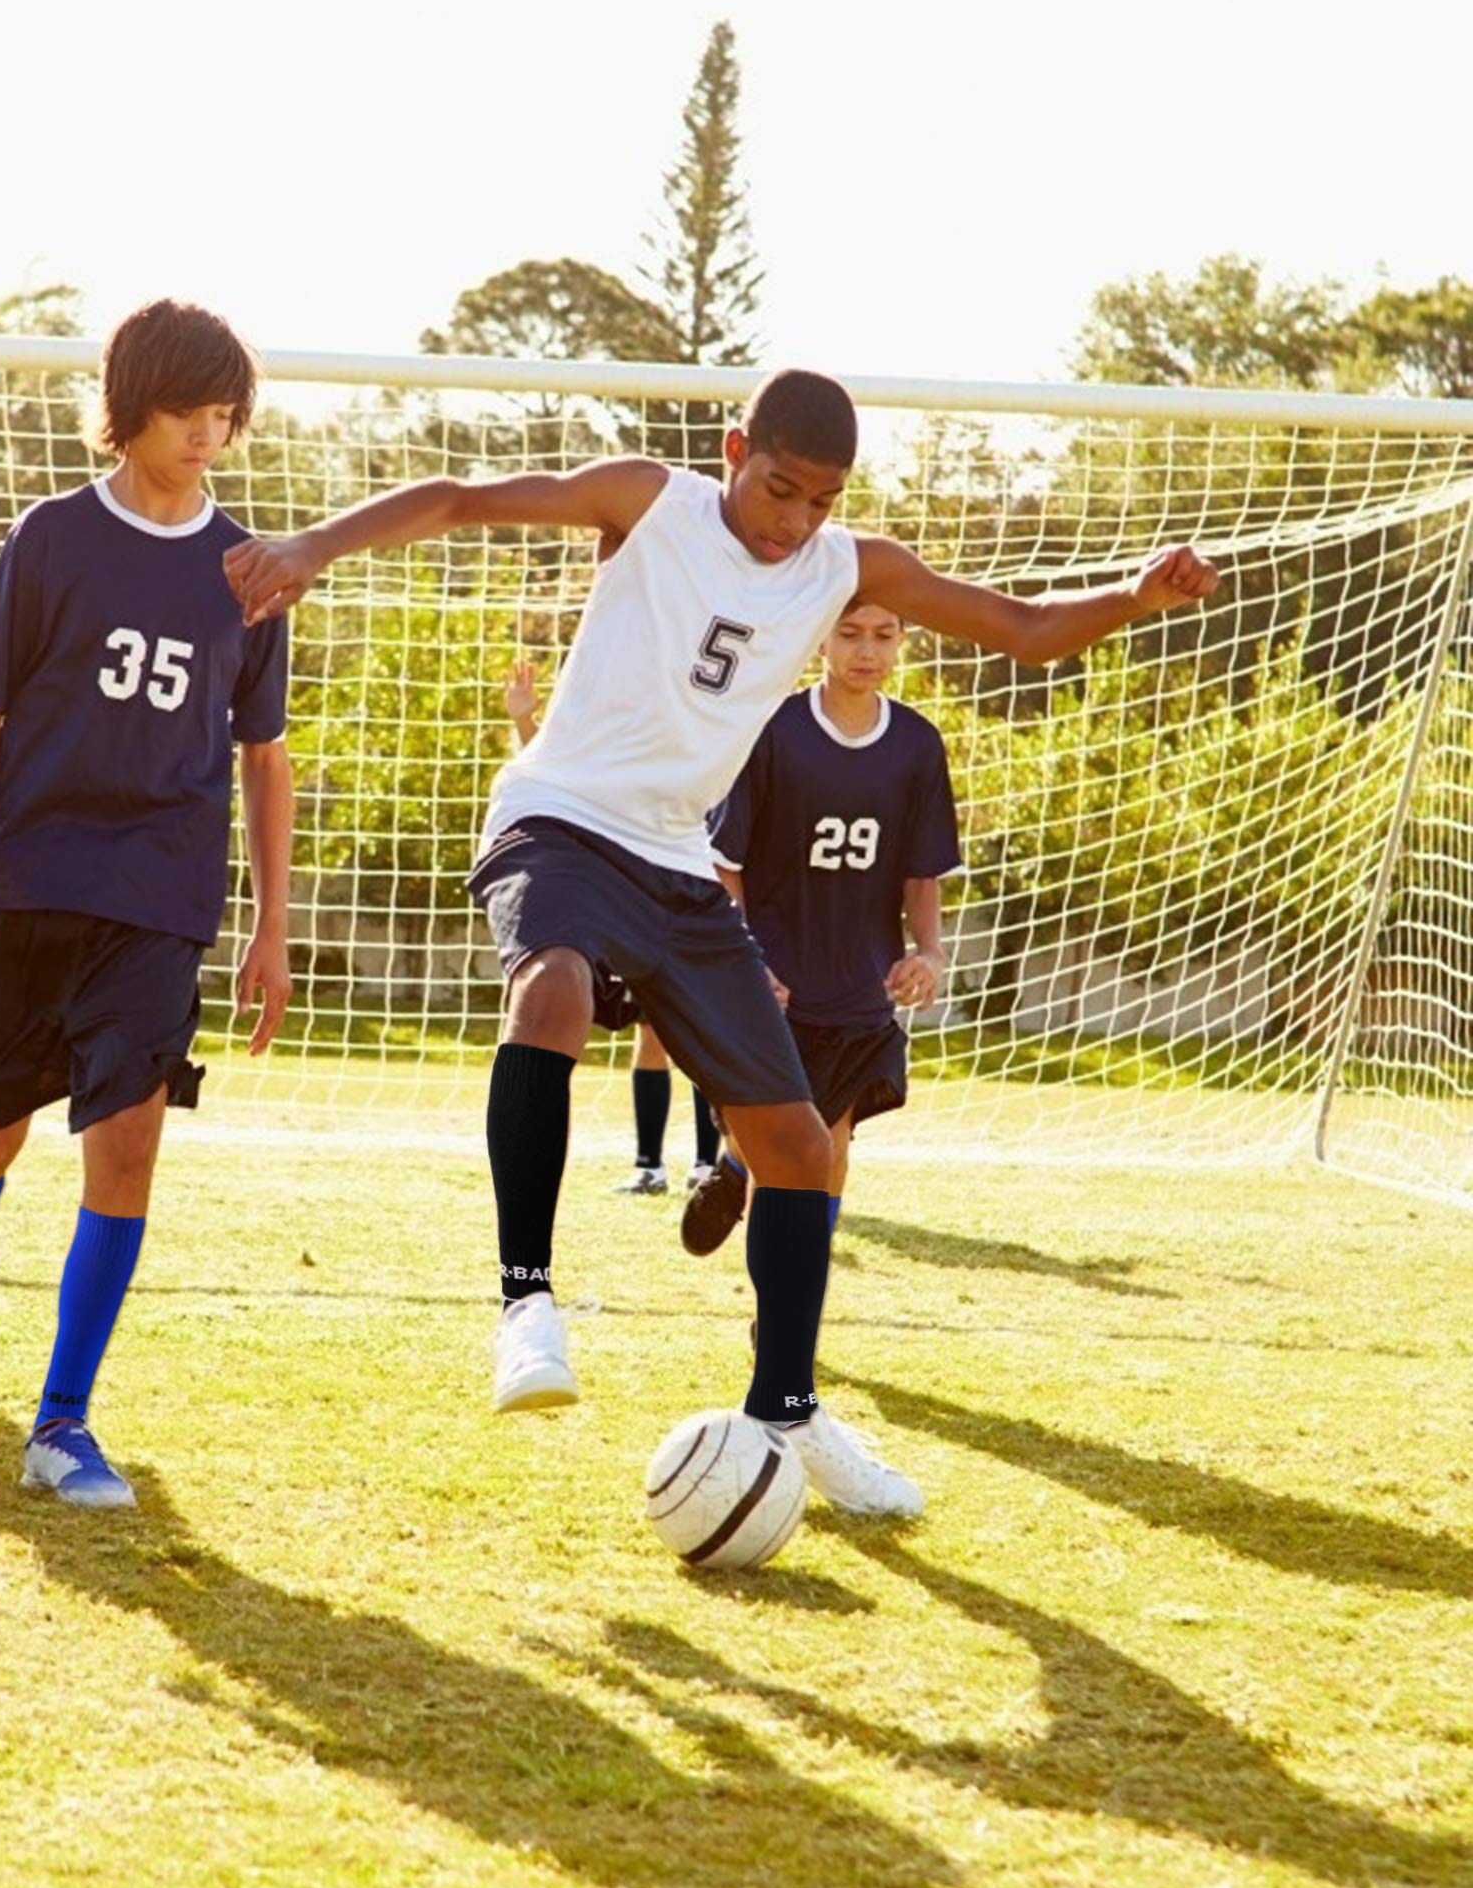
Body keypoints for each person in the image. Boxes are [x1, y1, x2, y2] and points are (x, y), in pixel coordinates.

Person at [226, 369, 1216, 1515]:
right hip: (558, 818)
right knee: (548, 991)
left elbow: (1027, 631)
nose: (793, 519)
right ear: (734, 446)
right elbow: (456, 497)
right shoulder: (648, 499)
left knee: (794, 1145)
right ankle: (524, 1303)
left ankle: (785, 1407)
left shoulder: (847, 566)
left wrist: (1136, 595)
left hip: (678, 864)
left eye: (820, 499)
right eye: (778, 487)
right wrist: (310, 546)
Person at [0, 299, 294, 1508]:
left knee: (125, 1141)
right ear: (129, 412)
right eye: (187, 413)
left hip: (160, 895)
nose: (209, 437)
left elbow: (262, 755)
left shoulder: (252, 573)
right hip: (29, 883)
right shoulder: (51, 538)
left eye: (227, 416)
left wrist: (272, 923)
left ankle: (62, 1421)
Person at [682, 598, 958, 1278]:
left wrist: (928, 949)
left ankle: (781, 1289)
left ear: (902, 643)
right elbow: (725, 864)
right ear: (820, 641)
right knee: (793, 1146)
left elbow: (923, 871)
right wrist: (744, 962)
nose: (867, 650)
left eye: (884, 635)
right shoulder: (772, 729)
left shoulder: (918, 746)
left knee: (831, 1147)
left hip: (860, 986)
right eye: (851, 633)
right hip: (773, 985)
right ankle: (745, 1192)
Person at [502, 658, 722, 1196]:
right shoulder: (603, 731)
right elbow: (550, 774)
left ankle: (705, 1163)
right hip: (627, 897)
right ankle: (650, 1167)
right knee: (651, 1034)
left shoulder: (694, 727)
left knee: (702, 1033)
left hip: (688, 887)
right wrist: (525, 721)